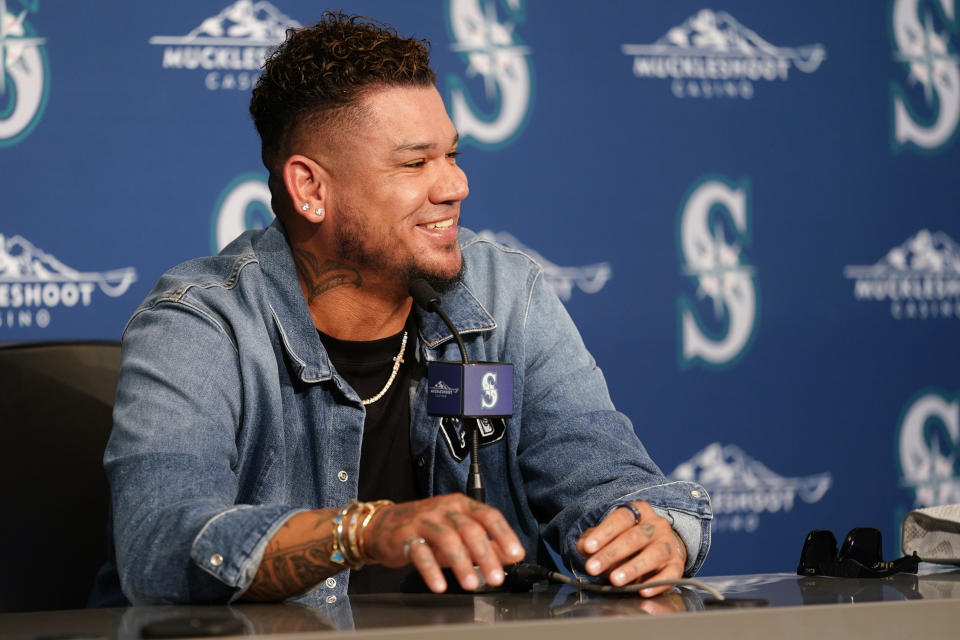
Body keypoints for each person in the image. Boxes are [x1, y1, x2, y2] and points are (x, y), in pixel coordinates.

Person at [95, 12, 711, 608]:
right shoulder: (199, 325)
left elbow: (611, 483)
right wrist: (364, 532)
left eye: (453, 156)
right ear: (311, 189)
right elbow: (162, 547)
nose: (454, 187)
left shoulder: (505, 295)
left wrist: (649, 532)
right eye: (415, 163)